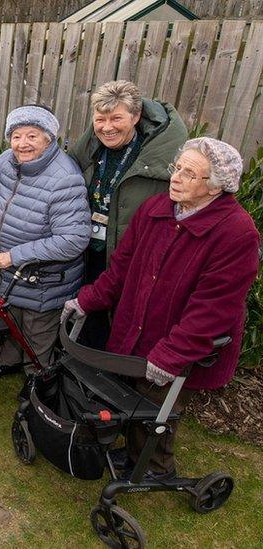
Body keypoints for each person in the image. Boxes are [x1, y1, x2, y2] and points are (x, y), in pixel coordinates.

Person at [63, 138, 259, 480]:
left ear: (215, 187)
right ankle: (133, 453)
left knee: (156, 409)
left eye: (189, 173)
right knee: (127, 397)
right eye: (177, 167)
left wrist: (170, 355)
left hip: (177, 341)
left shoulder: (236, 233)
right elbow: (121, 269)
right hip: (133, 326)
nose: (176, 177)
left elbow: (213, 309)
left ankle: (156, 468)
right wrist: (88, 299)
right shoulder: (156, 208)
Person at [68, 80, 188, 346]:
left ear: (135, 116)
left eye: (116, 118)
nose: (107, 127)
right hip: (89, 250)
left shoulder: (157, 155)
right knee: (90, 316)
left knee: (121, 323)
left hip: (129, 258)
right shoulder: (91, 147)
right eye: (100, 119)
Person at [0, 105, 90, 377]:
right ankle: (6, 363)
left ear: (49, 138)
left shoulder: (64, 179)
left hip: (41, 281)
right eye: (16, 135)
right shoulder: (7, 160)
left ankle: (36, 385)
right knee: (9, 322)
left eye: (32, 136)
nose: (22, 144)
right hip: (4, 271)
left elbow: (74, 239)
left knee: (36, 335)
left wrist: (17, 255)